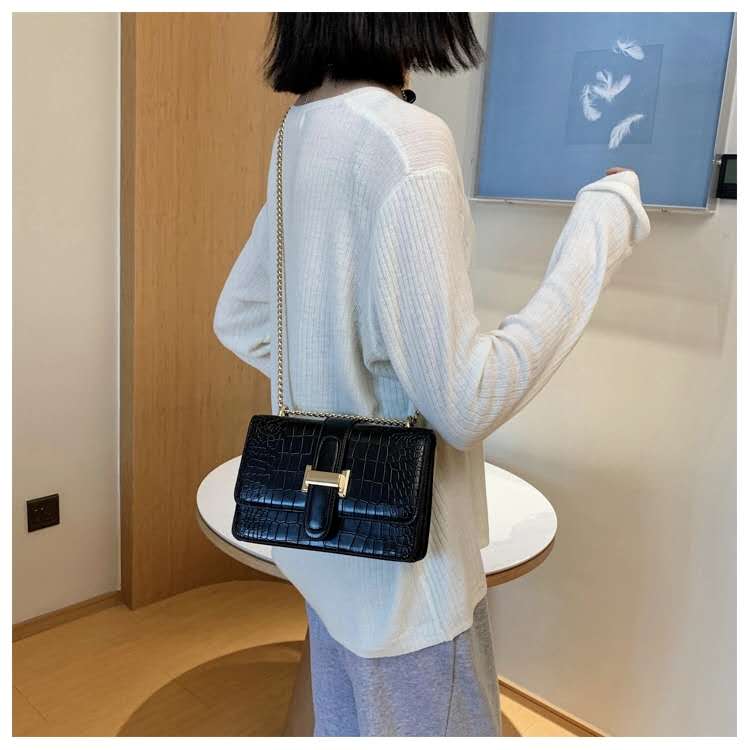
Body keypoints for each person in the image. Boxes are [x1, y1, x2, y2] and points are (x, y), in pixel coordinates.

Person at [212, 12, 651, 737]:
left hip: (330, 559)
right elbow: (466, 400)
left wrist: (343, 389)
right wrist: (601, 226)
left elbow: (241, 317)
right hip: (410, 583)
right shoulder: (406, 140)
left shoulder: (300, 133)